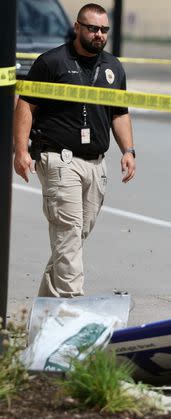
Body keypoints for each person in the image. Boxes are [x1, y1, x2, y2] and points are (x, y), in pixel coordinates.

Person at [13, 3, 137, 298]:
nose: (99, 35)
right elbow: (26, 106)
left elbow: (119, 113)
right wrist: (21, 150)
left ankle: (43, 319)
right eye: (93, 28)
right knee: (68, 236)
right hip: (59, 160)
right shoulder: (51, 63)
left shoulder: (112, 68)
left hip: (96, 164)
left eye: (104, 30)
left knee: (71, 241)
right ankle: (73, 315)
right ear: (77, 27)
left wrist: (129, 150)